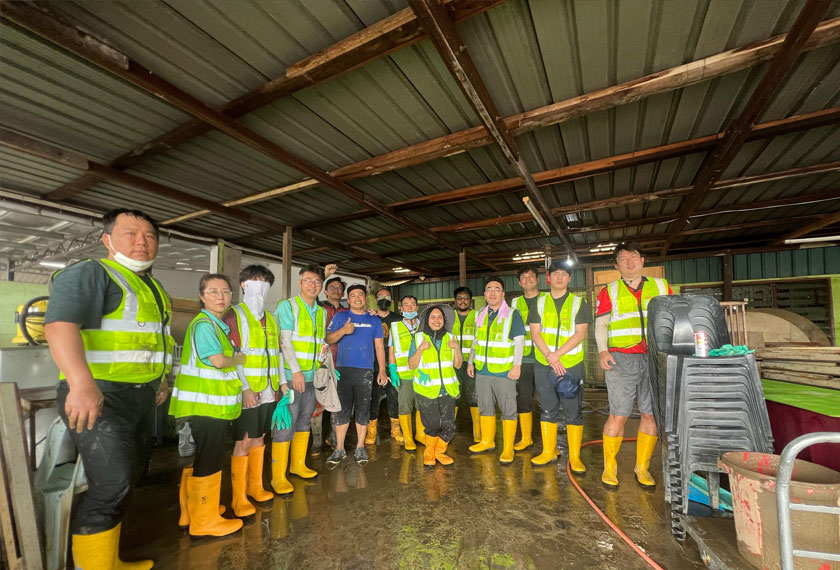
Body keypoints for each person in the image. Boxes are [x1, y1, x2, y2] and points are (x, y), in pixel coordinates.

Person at [44, 208, 173, 569]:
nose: (141, 242)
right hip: (100, 394)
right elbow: (59, 326)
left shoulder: (153, 287)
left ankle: (109, 561)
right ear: (107, 239)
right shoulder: (91, 273)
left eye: (149, 236)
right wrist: (80, 384)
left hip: (140, 394)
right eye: (130, 233)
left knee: (131, 477)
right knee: (112, 483)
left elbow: (156, 340)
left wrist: (160, 378)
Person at [169, 273, 245, 538]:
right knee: (211, 459)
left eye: (225, 292)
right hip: (207, 406)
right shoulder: (205, 325)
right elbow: (218, 361)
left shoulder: (215, 325)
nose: (220, 297)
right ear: (202, 296)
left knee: (204, 456)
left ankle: (193, 511)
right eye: (213, 292)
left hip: (208, 405)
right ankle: (205, 522)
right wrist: (239, 359)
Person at [595, 242, 673, 489]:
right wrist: (602, 350)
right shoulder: (609, 291)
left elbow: (673, 318)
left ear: (642, 260)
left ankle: (642, 468)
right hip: (621, 359)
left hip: (655, 357)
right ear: (616, 265)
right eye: (623, 258)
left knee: (651, 414)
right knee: (618, 414)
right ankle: (610, 467)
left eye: (633, 257)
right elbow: (601, 324)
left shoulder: (661, 286)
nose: (629, 262)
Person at [222, 265, 282, 507]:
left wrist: (282, 384)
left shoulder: (272, 318)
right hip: (247, 390)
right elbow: (232, 356)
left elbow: (276, 354)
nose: (261, 287)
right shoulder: (233, 315)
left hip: (269, 389)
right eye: (256, 282)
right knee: (244, 441)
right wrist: (245, 388)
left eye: (265, 283)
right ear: (243, 285)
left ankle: (255, 487)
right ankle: (239, 498)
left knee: (260, 438)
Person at [528, 261, 591, 469]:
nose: (560, 277)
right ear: (548, 278)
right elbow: (535, 333)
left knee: (573, 409)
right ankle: (548, 451)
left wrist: (557, 356)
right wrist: (550, 356)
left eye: (564, 274)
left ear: (569, 278)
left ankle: (575, 457)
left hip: (570, 364)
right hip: (544, 363)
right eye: (555, 274)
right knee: (547, 407)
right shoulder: (539, 302)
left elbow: (580, 334)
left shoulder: (578, 303)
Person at [271, 265, 327, 488]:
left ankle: (298, 465)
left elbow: (319, 343)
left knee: (304, 420)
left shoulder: (321, 312)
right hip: (292, 377)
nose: (313, 285)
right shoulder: (288, 306)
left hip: (312, 377)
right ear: (300, 283)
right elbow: (284, 341)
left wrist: (323, 365)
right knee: (286, 423)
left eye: (317, 281)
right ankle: (278, 477)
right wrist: (294, 372)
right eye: (308, 280)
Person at [324, 284, 388, 467]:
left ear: (366, 298)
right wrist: (343, 330)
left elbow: (379, 346)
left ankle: (360, 447)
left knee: (363, 410)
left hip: (365, 371)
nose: (357, 298)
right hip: (343, 370)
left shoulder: (374, 320)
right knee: (342, 410)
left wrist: (382, 370)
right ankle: (340, 449)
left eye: (361, 295)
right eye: (353, 295)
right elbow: (328, 339)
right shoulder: (340, 317)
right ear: (348, 299)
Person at [467, 276, 526, 464]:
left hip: (504, 372)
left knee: (508, 409)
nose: (492, 292)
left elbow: (519, 341)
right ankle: (487, 441)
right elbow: (476, 340)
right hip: (483, 371)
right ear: (484, 294)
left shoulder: (512, 314)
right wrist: (470, 362)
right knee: (485, 406)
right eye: (489, 289)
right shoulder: (481, 314)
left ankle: (508, 448)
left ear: (503, 294)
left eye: (497, 289)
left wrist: (517, 365)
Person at [408, 305, 462, 466]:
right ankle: (429, 453)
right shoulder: (418, 338)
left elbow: (458, 365)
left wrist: (456, 348)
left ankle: (439, 452)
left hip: (448, 390)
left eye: (440, 317)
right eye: (433, 317)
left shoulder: (451, 337)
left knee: (448, 425)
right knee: (432, 424)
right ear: (427, 320)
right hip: (427, 390)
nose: (437, 320)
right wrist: (420, 349)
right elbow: (411, 365)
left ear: (444, 320)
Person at [510, 266, 546, 451]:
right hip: (523, 360)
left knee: (547, 400)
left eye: (531, 276)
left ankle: (549, 442)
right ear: (519, 282)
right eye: (523, 277)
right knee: (523, 398)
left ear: (538, 279)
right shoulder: (515, 302)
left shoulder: (547, 299)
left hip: (544, 358)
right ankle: (526, 438)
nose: (528, 279)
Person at [369, 287, 403, 445]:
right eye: (381, 297)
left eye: (388, 297)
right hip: (372, 363)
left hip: (393, 363)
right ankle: (371, 429)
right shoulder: (370, 317)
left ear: (392, 301)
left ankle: (395, 428)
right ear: (375, 300)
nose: (384, 299)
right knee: (373, 396)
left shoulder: (398, 319)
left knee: (394, 395)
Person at [388, 295, 422, 450]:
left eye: (413, 304)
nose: (410, 307)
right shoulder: (394, 327)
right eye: (406, 305)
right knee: (405, 407)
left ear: (417, 307)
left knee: (422, 405)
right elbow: (392, 350)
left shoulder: (424, 325)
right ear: (401, 309)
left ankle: (420, 435)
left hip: (423, 375)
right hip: (404, 375)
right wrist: (392, 370)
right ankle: (408, 439)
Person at [452, 286, 479, 443]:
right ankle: (449, 430)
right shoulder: (449, 317)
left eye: (466, 298)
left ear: (471, 301)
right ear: (455, 301)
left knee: (474, 397)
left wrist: (472, 362)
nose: (463, 301)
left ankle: (478, 433)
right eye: (460, 298)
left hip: (472, 364)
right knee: (453, 396)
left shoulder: (478, 317)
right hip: (453, 364)